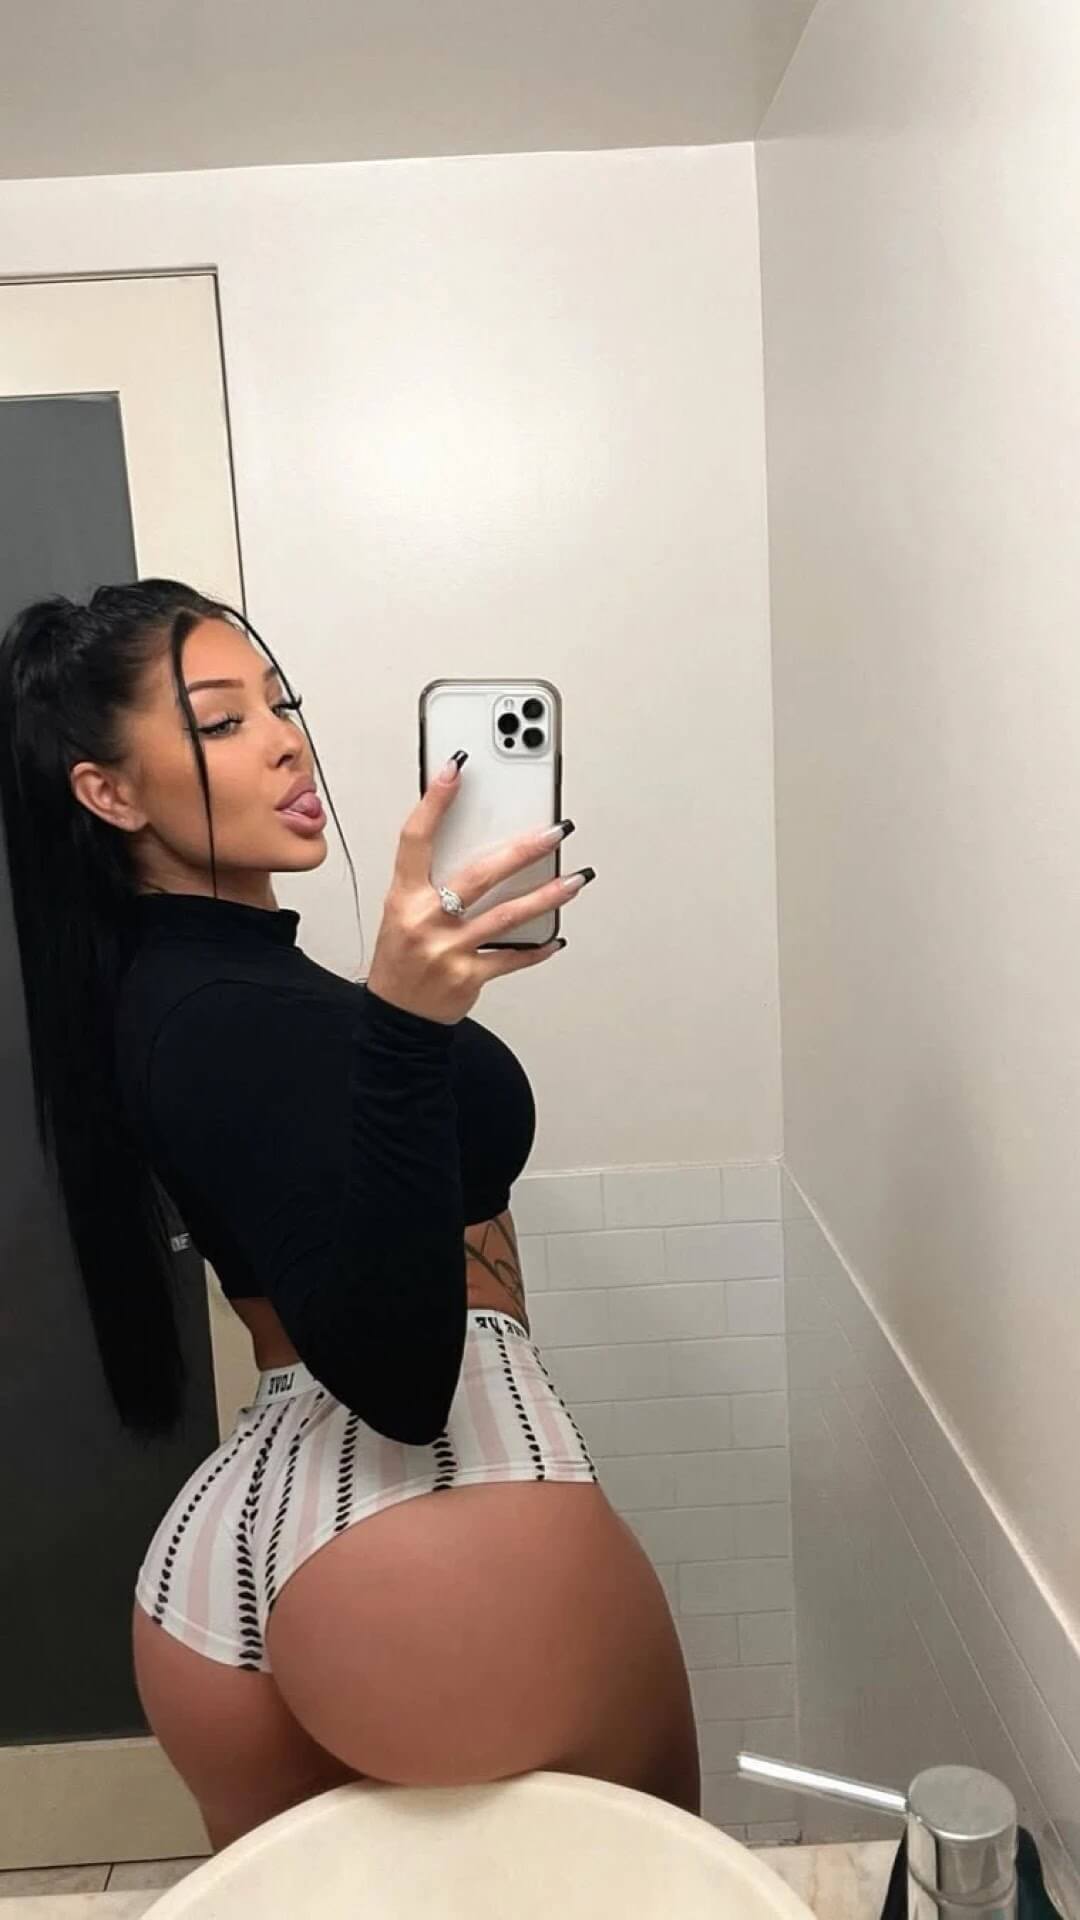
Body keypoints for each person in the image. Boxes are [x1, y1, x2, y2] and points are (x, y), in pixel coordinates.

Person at [0, 580, 699, 1850]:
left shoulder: (193, 982)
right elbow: (400, 1381)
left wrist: (405, 1022)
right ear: (108, 793)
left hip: (241, 1546)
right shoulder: (211, 1013)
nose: (286, 743)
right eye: (223, 722)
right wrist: (408, 1030)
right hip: (439, 1522)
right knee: (659, 1883)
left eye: (283, 705)